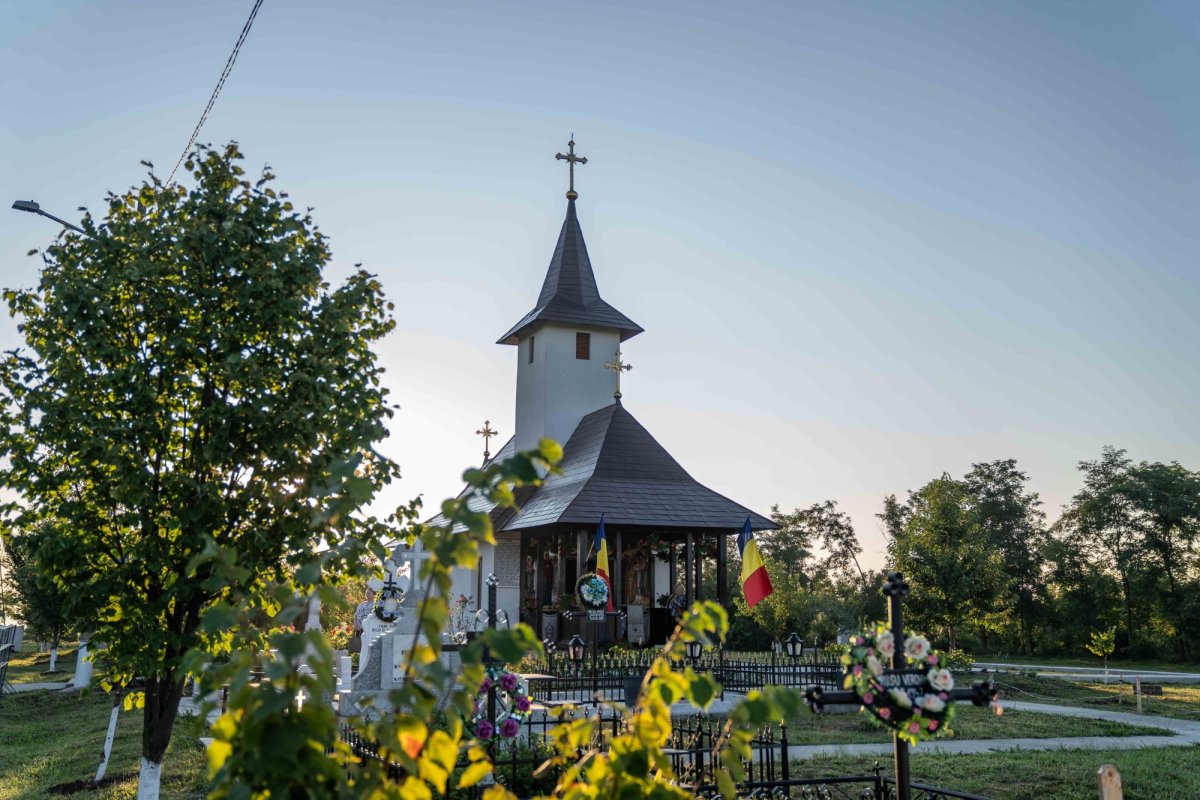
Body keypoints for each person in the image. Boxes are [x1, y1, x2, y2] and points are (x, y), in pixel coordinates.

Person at [350, 587, 376, 654]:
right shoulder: (362, 604)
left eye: (369, 593)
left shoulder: (376, 605)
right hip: (359, 629)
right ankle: (358, 659)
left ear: (374, 594)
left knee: (367, 647)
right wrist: (355, 625)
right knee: (360, 647)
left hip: (369, 629)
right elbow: (355, 615)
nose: (367, 594)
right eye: (366, 593)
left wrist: (363, 626)